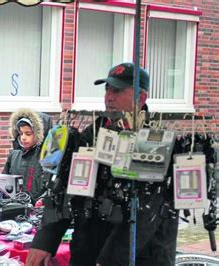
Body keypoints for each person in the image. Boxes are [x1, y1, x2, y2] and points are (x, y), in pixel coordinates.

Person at [28, 62, 178, 266]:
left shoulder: (154, 141)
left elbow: (146, 212)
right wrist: (45, 239)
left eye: (117, 90)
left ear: (141, 98)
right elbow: (63, 186)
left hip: (136, 257)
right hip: (88, 250)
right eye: (107, 88)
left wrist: (110, 261)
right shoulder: (94, 133)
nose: (109, 96)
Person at [2, 107, 48, 203]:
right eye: (21, 133)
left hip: (37, 211)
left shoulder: (46, 158)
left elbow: (51, 188)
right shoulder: (14, 155)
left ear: (39, 134)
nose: (23, 137)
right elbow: (3, 180)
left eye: (28, 134)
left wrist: (43, 199)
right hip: (14, 207)